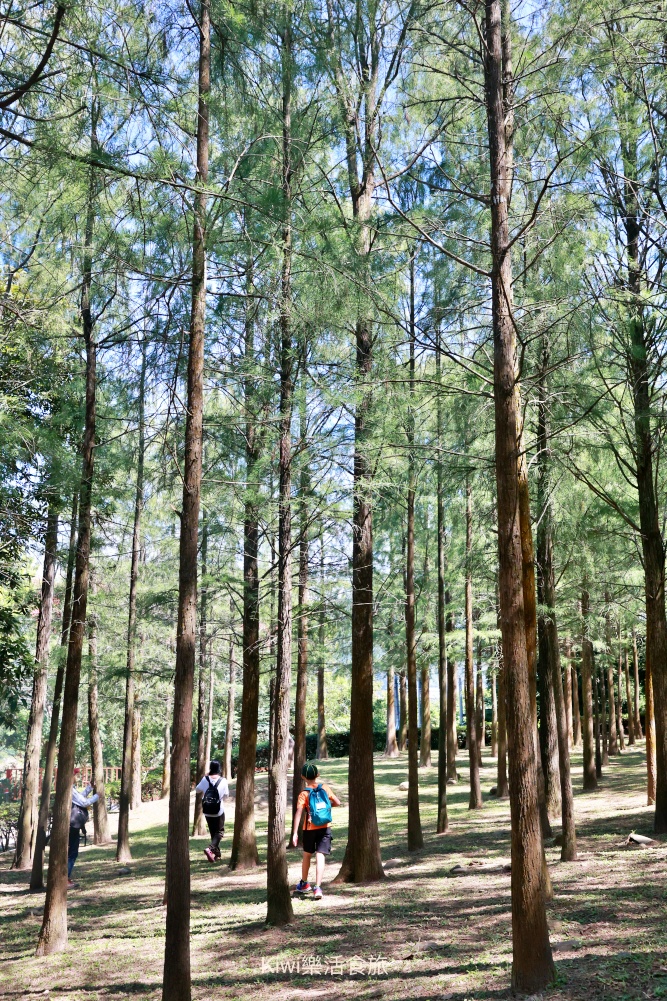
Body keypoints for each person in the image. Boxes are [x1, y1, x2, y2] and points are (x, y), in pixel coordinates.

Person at [291, 762, 341, 900]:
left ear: (302, 777)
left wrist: (295, 833)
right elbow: (338, 802)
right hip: (325, 826)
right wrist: (325, 807)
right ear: (317, 775)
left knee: (307, 855)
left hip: (309, 828)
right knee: (321, 855)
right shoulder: (325, 788)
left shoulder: (304, 794)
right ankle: (318, 887)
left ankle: (304, 883)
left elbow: (299, 813)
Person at [68, 768, 99, 887]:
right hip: (73, 825)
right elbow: (85, 803)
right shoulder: (70, 789)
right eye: (75, 774)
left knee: (71, 852)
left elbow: (80, 798)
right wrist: (97, 796)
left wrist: (89, 788)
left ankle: (66, 877)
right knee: (72, 853)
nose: (77, 777)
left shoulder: (71, 789)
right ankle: (65, 878)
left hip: (72, 825)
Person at [196, 759, 228, 862]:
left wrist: (204, 778)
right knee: (220, 832)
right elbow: (226, 795)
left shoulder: (205, 779)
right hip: (219, 810)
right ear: (219, 768)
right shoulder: (223, 780)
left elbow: (197, 790)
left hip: (207, 810)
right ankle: (210, 849)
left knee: (213, 833)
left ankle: (217, 855)